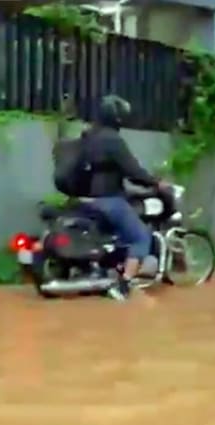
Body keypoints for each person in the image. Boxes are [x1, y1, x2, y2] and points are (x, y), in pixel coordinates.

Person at [80, 94, 172, 301]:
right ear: (117, 117)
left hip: (90, 198)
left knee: (122, 233)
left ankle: (111, 268)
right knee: (141, 236)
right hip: (109, 199)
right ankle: (123, 285)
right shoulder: (113, 140)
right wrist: (156, 183)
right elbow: (133, 171)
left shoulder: (89, 137)